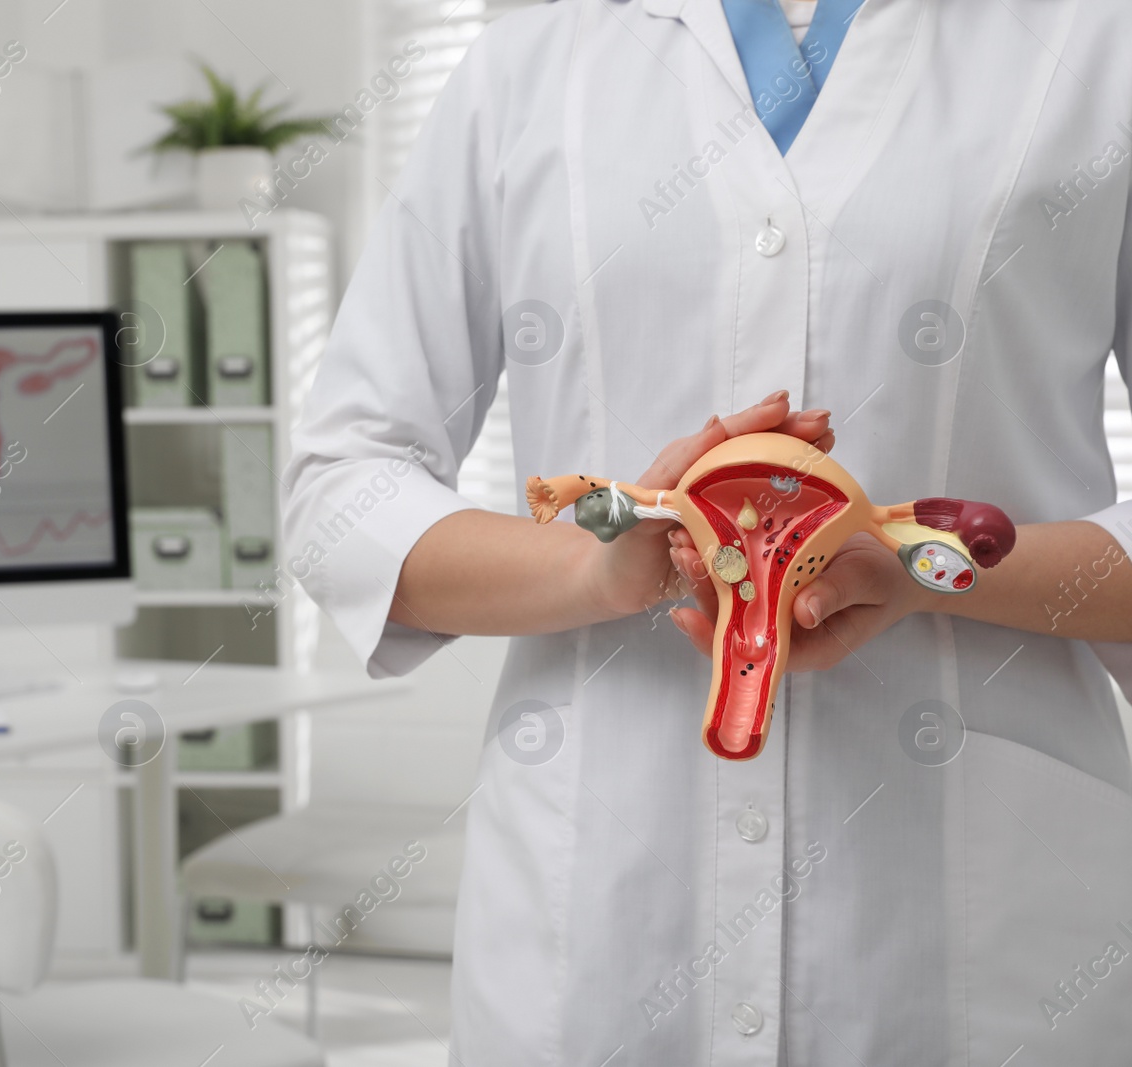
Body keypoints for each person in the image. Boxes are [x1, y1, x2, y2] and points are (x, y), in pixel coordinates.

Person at [284, 0, 1132, 1062]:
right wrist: (600, 562)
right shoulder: (526, 67)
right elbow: (339, 490)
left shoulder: (1096, 46)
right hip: (602, 925)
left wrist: (913, 564)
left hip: (975, 932)